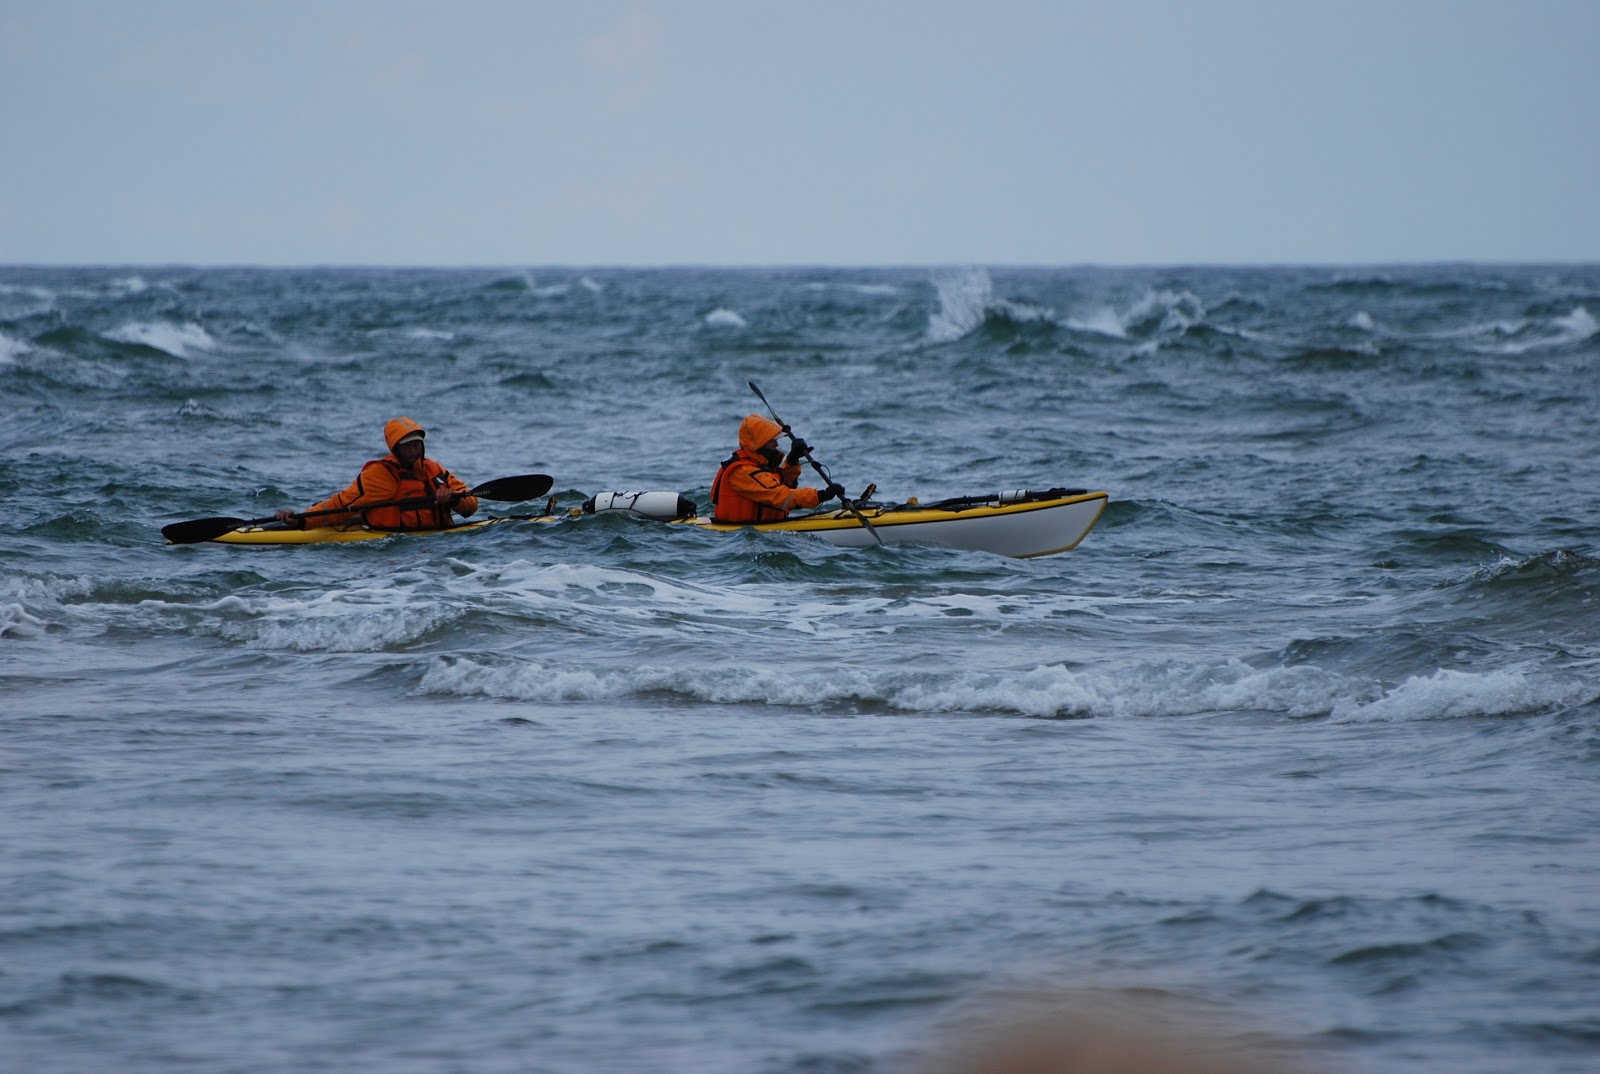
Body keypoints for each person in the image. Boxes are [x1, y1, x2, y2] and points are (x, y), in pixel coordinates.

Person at [275, 417, 479, 530]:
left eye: (417, 444)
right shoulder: (380, 476)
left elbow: (470, 505)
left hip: (438, 543)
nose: (413, 450)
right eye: (407, 446)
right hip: (393, 544)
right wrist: (301, 520)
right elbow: (339, 505)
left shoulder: (434, 471)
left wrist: (453, 500)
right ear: (395, 449)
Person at [709, 413, 844, 523]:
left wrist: (792, 460)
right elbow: (780, 497)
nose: (776, 445)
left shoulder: (761, 465)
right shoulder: (742, 472)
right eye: (772, 441)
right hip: (739, 538)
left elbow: (784, 484)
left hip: (765, 534)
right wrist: (821, 495)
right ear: (759, 443)